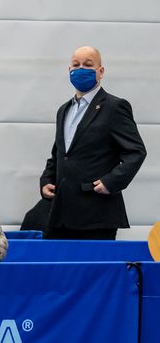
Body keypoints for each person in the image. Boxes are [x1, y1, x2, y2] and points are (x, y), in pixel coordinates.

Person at [40, 46, 146, 240]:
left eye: (88, 65)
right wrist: (47, 179)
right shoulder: (64, 110)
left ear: (101, 71)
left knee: (93, 269)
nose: (81, 69)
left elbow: (136, 152)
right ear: (69, 70)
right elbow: (61, 153)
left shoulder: (115, 107)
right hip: (61, 213)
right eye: (76, 65)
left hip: (97, 213)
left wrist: (111, 182)